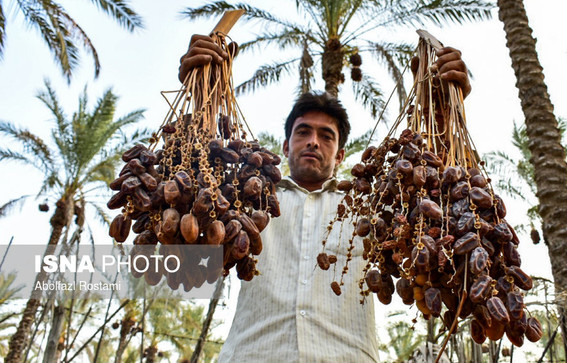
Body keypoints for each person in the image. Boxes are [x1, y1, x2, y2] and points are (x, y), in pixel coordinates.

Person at [179, 35, 470, 362]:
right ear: (286, 147)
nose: (313, 142)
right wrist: (199, 95)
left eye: (325, 136)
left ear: (341, 154)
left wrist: (441, 114)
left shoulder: (372, 209)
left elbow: (437, 206)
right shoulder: (249, 200)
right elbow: (186, 261)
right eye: (303, 132)